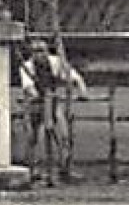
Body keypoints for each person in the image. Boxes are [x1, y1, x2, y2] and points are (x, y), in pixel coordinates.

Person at [19, 37, 91, 185]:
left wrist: (82, 91)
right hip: (34, 103)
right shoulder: (26, 67)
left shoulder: (56, 62)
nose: (39, 55)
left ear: (47, 51)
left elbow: (75, 77)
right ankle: (31, 170)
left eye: (42, 51)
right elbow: (29, 87)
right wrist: (38, 96)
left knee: (63, 135)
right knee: (32, 137)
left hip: (53, 100)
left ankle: (64, 168)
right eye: (35, 52)